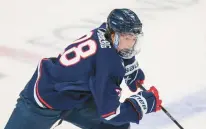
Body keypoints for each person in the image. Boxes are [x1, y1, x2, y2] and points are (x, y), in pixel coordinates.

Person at [5, 8, 162, 129]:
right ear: (114, 35)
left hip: (76, 97)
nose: (131, 44)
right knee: (114, 120)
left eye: (134, 39)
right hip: (44, 100)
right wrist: (141, 104)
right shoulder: (109, 65)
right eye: (127, 38)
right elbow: (111, 113)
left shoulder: (104, 30)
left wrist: (129, 64)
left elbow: (111, 53)